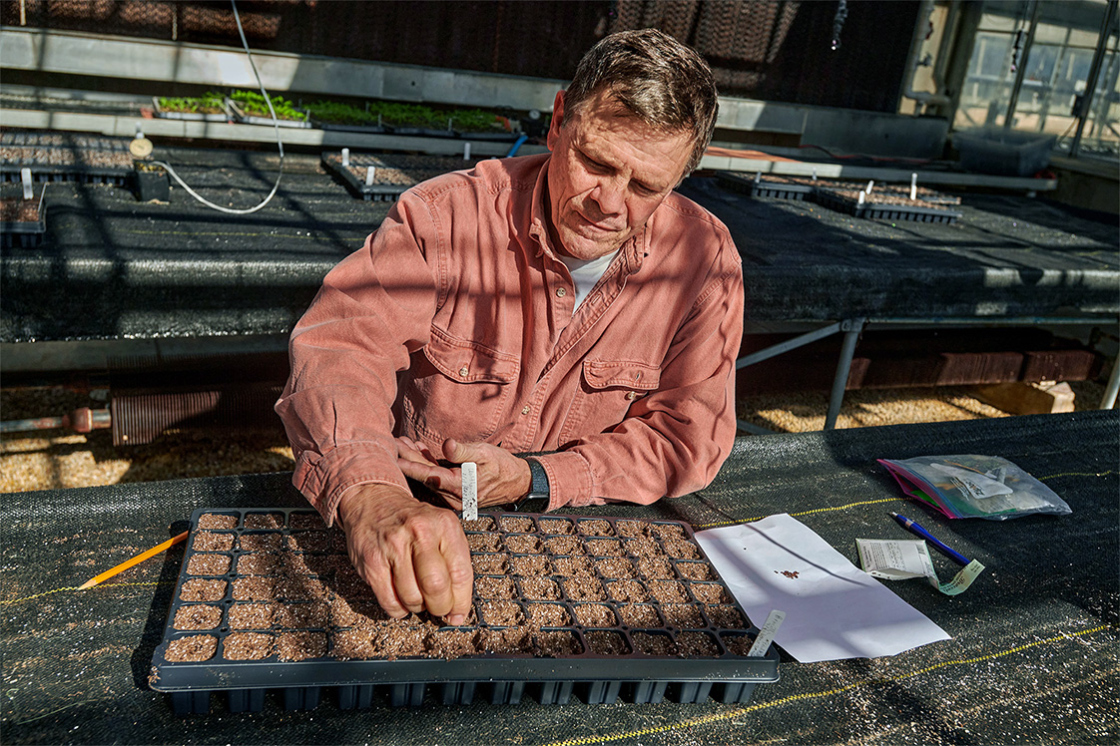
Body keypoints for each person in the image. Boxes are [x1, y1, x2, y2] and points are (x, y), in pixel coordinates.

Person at [275, 28, 743, 627]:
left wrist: (539, 477)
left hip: (574, 538)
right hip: (413, 515)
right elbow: (343, 347)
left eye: (648, 186)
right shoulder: (444, 217)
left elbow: (688, 435)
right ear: (558, 121)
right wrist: (370, 492)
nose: (610, 203)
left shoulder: (703, 261)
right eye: (596, 163)